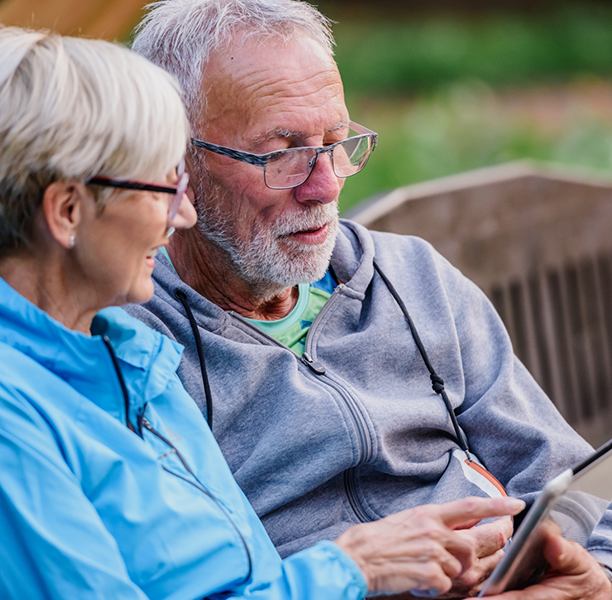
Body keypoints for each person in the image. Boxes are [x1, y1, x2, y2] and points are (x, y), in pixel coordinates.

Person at [0, 25, 528, 600]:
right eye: (162, 184)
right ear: (69, 211)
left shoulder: (123, 355)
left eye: (337, 143)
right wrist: (352, 570)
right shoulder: (100, 369)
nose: (181, 215)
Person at [126, 0, 612, 597]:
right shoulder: (129, 347)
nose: (326, 183)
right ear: (176, 160)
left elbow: (574, 486)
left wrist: (594, 580)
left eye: (337, 141)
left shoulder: (411, 277)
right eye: (282, 154)